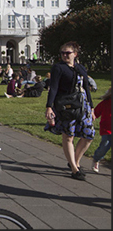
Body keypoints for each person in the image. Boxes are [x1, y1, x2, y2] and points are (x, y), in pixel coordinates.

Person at [44, 41, 95, 181]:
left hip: (82, 105)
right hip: (66, 105)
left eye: (68, 53)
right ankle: (74, 168)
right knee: (68, 136)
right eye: (62, 53)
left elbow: (86, 87)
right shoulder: (58, 68)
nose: (65, 55)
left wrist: (91, 107)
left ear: (75, 54)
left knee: (88, 134)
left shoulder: (80, 68)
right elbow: (53, 88)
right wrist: (49, 106)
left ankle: (75, 161)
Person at [92, 87, 111, 173]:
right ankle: (96, 159)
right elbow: (95, 113)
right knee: (105, 145)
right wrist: (91, 119)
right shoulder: (105, 103)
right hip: (106, 129)